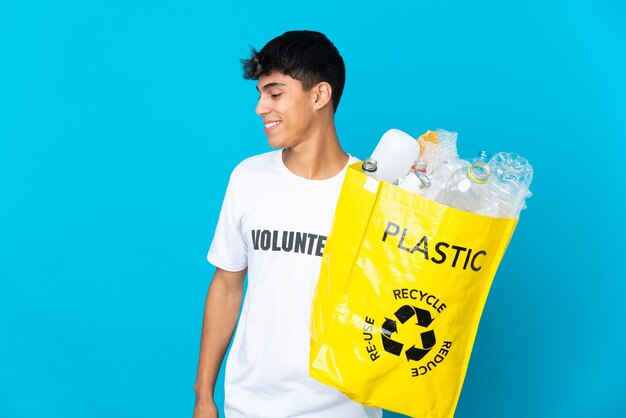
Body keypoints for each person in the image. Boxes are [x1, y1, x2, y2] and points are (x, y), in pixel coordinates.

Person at [193, 30, 382, 418]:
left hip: (343, 408)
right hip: (250, 404)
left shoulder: (376, 191)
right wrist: (203, 395)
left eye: (275, 93)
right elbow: (227, 286)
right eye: (260, 94)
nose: (261, 108)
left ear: (319, 96)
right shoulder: (248, 178)